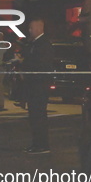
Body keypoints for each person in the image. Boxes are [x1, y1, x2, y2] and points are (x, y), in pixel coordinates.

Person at [21, 17, 54, 155]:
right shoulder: (34, 43)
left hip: (39, 84)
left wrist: (25, 64)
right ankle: (37, 143)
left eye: (31, 28)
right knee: (34, 115)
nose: (29, 30)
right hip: (34, 84)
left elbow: (40, 63)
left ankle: (41, 144)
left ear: (39, 28)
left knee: (38, 115)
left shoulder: (43, 44)